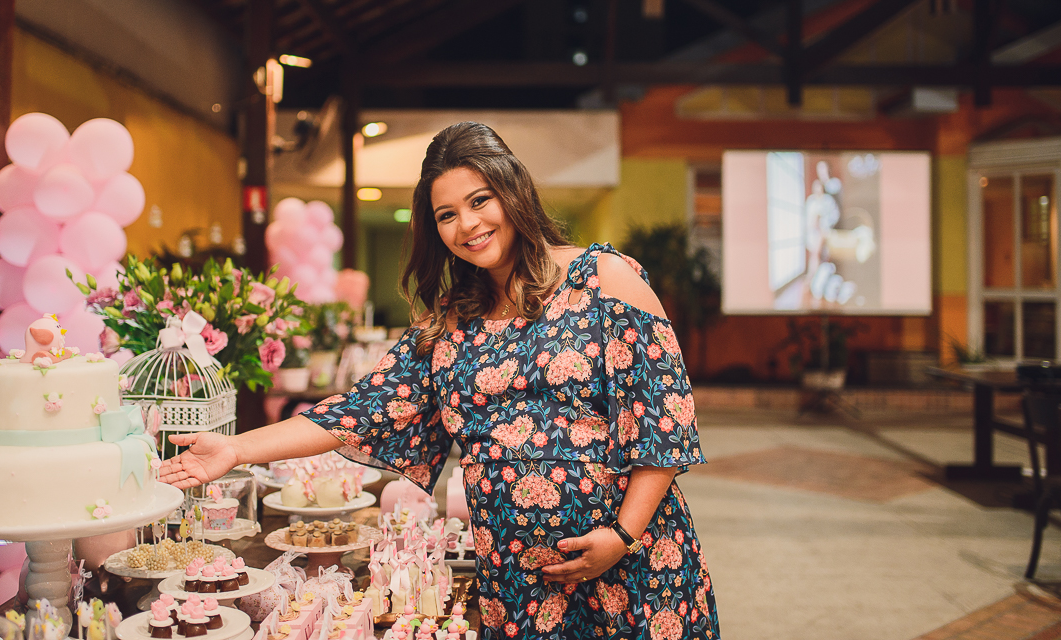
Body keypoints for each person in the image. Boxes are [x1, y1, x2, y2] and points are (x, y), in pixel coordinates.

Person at [160, 122, 718, 640]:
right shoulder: (452, 319)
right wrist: (235, 449)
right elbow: (357, 410)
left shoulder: (602, 278)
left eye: (480, 201)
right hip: (518, 583)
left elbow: (664, 421)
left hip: (631, 566)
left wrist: (621, 537)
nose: (467, 225)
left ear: (514, 192)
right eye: (446, 214)